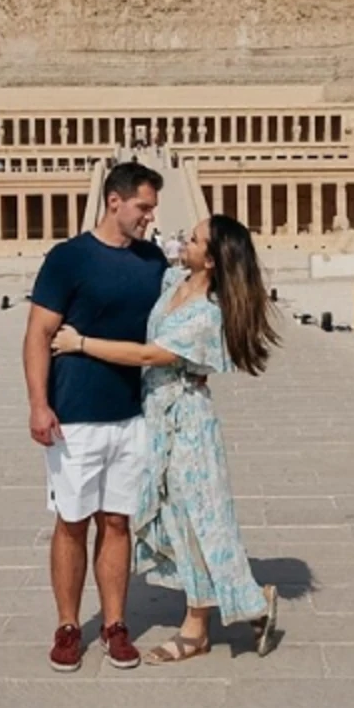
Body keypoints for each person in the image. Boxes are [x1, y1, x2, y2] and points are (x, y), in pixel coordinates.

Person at [51, 214, 283, 664]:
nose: (183, 242)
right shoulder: (175, 279)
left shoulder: (208, 312)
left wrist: (80, 344)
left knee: (197, 518)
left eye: (193, 239)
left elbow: (147, 354)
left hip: (187, 422)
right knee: (176, 517)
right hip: (155, 415)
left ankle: (196, 628)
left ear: (212, 260)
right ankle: (251, 599)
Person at [22, 162, 168, 673]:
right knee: (72, 521)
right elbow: (38, 334)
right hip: (76, 415)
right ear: (114, 201)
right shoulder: (69, 259)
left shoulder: (154, 262)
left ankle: (114, 623)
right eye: (143, 207)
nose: (150, 217)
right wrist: (39, 404)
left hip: (132, 413)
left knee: (118, 521)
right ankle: (67, 625)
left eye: (153, 208)